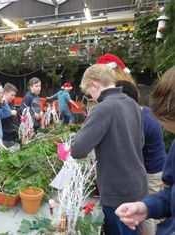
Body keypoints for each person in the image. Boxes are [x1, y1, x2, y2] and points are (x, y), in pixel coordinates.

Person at [71, 64, 148, 235]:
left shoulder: (103, 108)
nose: (91, 96)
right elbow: (140, 141)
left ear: (95, 84)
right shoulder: (132, 104)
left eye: (89, 92)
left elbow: (78, 150)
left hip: (117, 191)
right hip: (138, 184)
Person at [115, 67, 175, 235]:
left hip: (152, 171)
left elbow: (132, 151)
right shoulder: (145, 114)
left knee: (151, 225)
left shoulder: (142, 120)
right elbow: (170, 196)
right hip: (153, 169)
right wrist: (146, 207)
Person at [0, 82, 18, 147]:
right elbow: (1, 116)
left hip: (11, 135)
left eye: (14, 95)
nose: (13, 97)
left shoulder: (10, 104)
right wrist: (10, 112)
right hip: (4, 137)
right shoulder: (0, 104)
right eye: (12, 95)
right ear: (5, 93)